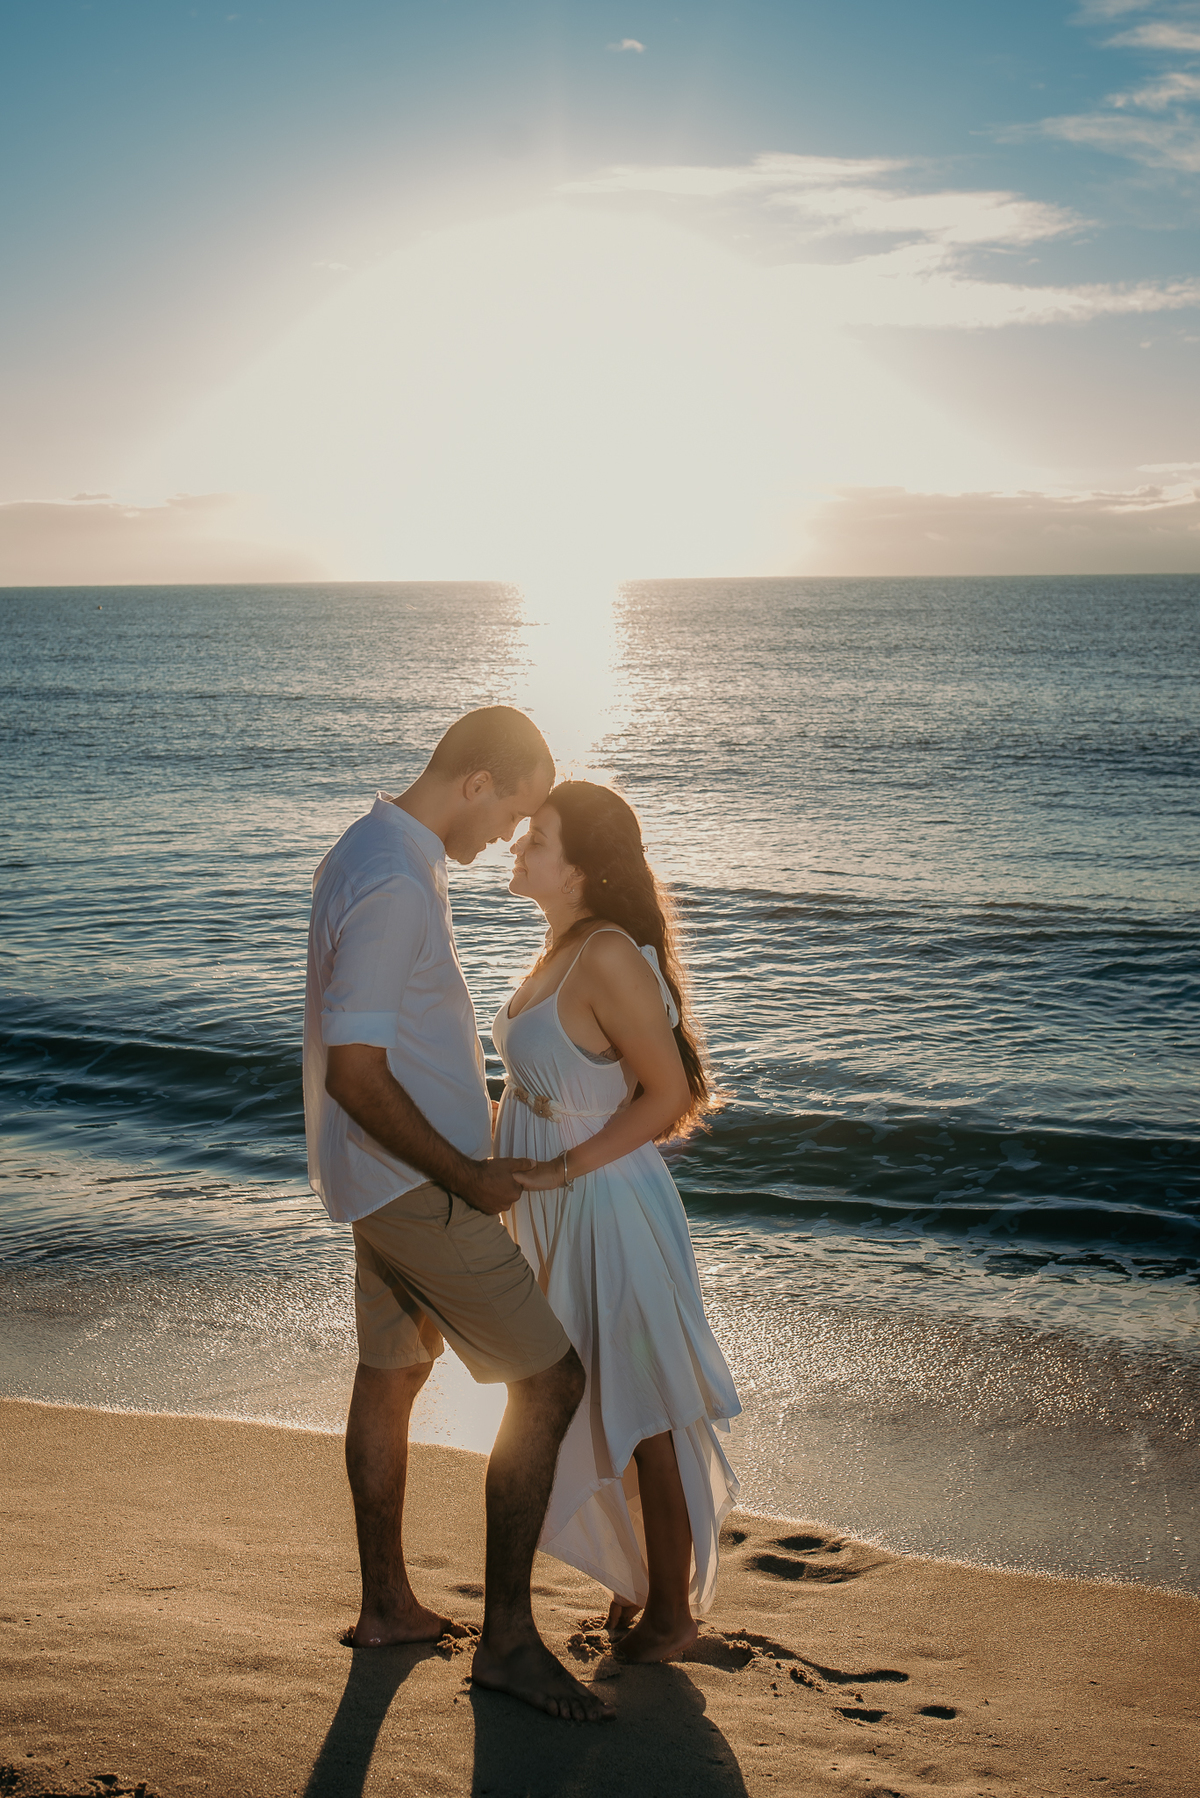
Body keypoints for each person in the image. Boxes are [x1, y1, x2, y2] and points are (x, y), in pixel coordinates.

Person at [303, 707, 613, 1724]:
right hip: (414, 1187)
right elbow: (357, 1071)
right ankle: (511, 1644)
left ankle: (388, 1604)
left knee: (392, 1373)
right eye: (510, 811)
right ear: (477, 780)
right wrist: (466, 1177)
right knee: (551, 1376)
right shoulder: (397, 880)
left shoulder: (373, 846)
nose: (500, 842)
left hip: (375, 1179)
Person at [492, 780, 740, 1664]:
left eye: (538, 838)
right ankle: (636, 1586)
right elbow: (547, 1083)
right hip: (556, 1209)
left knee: (643, 1406)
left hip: (605, 1208)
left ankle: (672, 1614)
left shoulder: (604, 954)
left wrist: (556, 1167)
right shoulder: (558, 947)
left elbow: (669, 1096)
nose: (518, 848)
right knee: (594, 1398)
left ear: (585, 870)